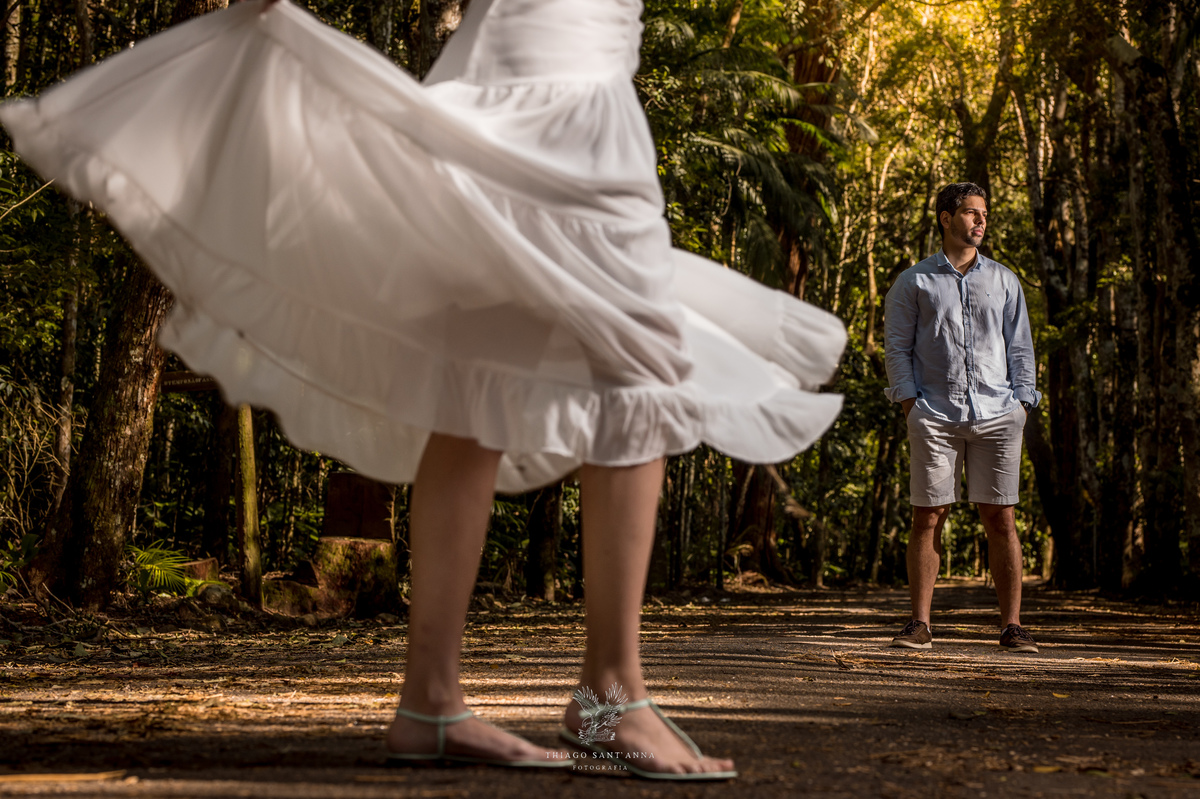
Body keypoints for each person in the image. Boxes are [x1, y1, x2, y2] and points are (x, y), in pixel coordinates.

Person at [0, 0, 847, 780]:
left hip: (527, 87)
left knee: (474, 379)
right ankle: (609, 695)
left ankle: (431, 700)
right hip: (560, 98)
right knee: (642, 362)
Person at [882, 182, 1041, 654]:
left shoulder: (1005, 281)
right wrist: (913, 406)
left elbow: (1021, 348)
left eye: (983, 214)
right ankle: (919, 625)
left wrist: (1023, 403)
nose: (980, 221)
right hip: (935, 413)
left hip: (998, 413)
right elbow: (897, 349)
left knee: (1002, 517)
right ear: (946, 218)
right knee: (927, 517)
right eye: (971, 213)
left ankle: (1012, 627)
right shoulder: (914, 281)